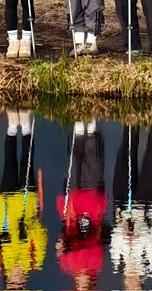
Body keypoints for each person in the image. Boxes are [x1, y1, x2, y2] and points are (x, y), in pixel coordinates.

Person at [0, 110, 45, 290]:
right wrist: (28, 230)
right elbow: (42, 233)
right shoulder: (34, 262)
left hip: (6, 202)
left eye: (13, 283)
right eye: (19, 284)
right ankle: (26, 125)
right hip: (28, 201)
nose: (17, 278)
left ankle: (12, 125)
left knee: (9, 161)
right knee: (27, 159)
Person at [110, 125, 152, 290]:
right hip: (146, 205)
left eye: (129, 286)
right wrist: (137, 236)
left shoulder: (118, 263)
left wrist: (124, 233)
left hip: (123, 204)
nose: (132, 282)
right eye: (136, 287)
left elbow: (115, 236)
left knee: (126, 152)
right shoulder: (149, 264)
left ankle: (131, 122)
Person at [58, 121, 108, 291]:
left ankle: (79, 132)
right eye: (83, 286)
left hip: (71, 206)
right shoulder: (96, 264)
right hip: (91, 203)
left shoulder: (67, 267)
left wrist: (62, 245)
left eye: (79, 286)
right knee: (91, 164)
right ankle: (91, 128)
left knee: (74, 163)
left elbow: (62, 241)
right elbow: (94, 245)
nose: (81, 282)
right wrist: (73, 248)